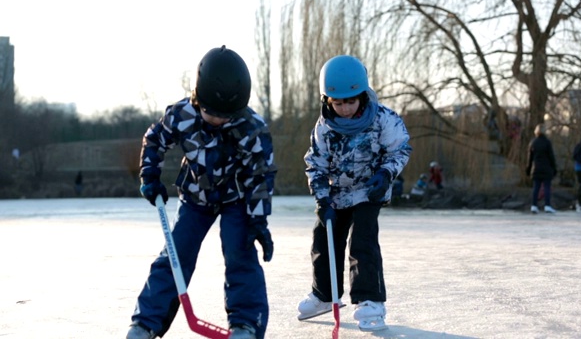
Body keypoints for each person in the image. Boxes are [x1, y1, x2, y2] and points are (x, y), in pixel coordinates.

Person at [126, 46, 277, 339]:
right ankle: (146, 322)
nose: (217, 120)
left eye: (226, 115)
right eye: (210, 112)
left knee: (239, 251)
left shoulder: (252, 129)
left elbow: (261, 176)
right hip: (196, 198)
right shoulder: (182, 114)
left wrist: (258, 221)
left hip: (237, 199)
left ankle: (246, 323)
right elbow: (155, 139)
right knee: (174, 254)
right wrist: (150, 175)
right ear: (198, 98)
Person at [297, 55, 412, 331]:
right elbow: (315, 163)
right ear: (327, 101)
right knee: (323, 239)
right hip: (336, 194)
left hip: (369, 191)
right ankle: (324, 295)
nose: (345, 108)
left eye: (351, 101)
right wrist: (321, 199)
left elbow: (400, 149)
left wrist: (385, 175)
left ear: (362, 95)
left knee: (362, 241)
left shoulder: (383, 118)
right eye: (338, 103)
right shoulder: (324, 127)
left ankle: (370, 300)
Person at [525, 123, 557, 213]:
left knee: (536, 187)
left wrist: (528, 169)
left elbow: (530, 158)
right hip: (546, 168)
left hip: (536, 168)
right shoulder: (547, 142)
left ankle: (534, 205)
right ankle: (547, 205)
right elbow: (551, 157)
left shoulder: (533, 143)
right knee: (547, 187)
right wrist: (554, 168)